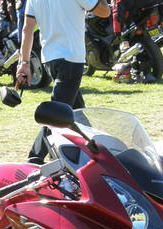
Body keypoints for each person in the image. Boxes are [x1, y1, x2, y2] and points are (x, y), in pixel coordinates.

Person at [16, 0, 110, 158]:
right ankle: (35, 158)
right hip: (71, 58)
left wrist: (24, 63)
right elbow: (104, 12)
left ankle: (94, 150)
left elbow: (27, 29)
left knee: (76, 111)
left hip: (49, 59)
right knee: (56, 114)